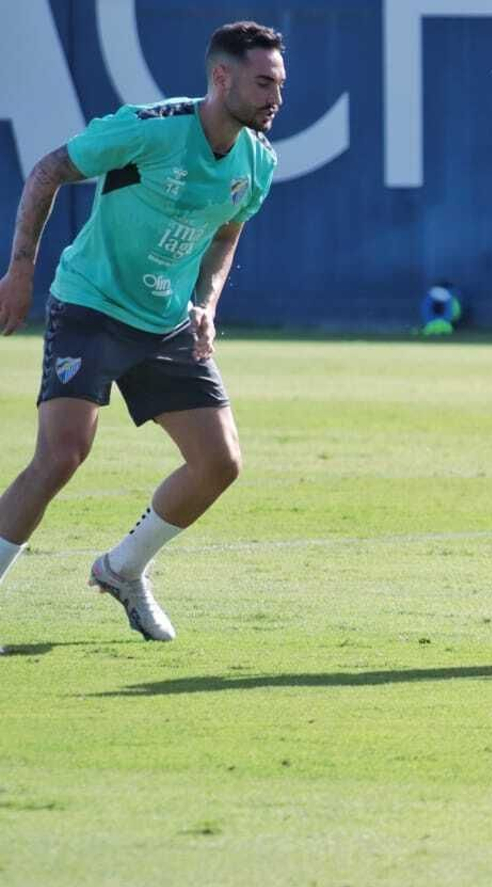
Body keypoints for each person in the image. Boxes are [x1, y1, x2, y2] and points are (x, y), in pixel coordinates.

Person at [0, 21, 282, 644]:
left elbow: (226, 234)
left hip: (165, 322)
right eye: (263, 82)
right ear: (221, 77)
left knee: (219, 462)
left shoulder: (258, 163)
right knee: (61, 455)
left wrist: (205, 301)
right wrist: (20, 271)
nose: (274, 98)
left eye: (279, 85)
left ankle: (123, 569)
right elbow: (47, 171)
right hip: (92, 304)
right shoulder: (150, 128)